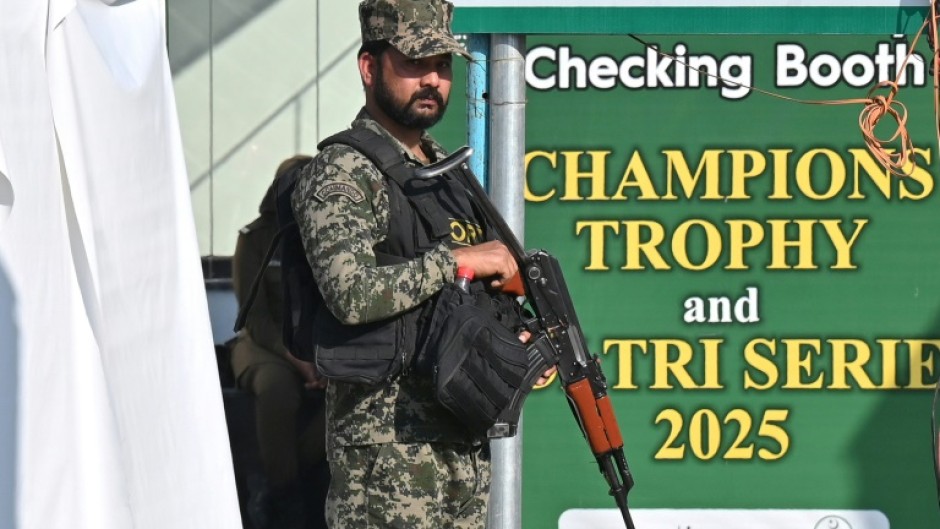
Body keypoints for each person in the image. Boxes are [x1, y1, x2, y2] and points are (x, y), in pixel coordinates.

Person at [289, 1, 544, 527]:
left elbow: (465, 303)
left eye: (443, 66)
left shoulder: (444, 170)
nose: (432, 79)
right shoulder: (344, 171)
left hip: (459, 444)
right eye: (414, 62)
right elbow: (352, 293)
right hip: (388, 455)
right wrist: (455, 261)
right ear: (369, 67)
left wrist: (510, 346)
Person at [231, 155, 329, 529]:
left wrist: (322, 360)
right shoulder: (255, 238)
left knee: (350, 394)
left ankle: (276, 482)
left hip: (320, 348)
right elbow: (254, 316)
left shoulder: (326, 239)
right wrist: (298, 360)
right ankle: (285, 500)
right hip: (263, 345)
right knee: (277, 392)